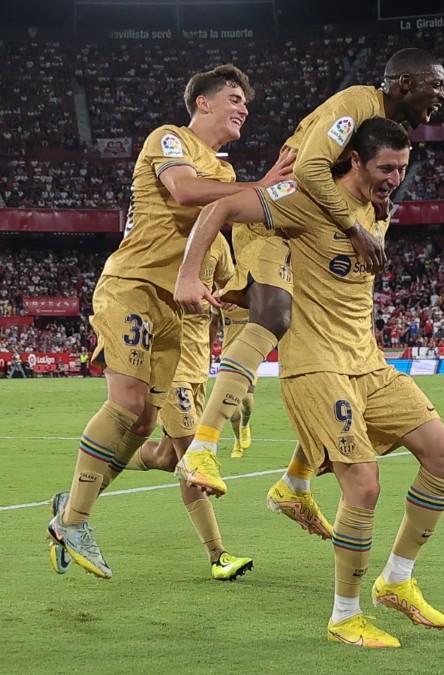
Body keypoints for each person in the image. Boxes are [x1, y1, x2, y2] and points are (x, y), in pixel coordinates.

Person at [176, 119, 444, 648]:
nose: (395, 179)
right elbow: (221, 208)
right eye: (384, 168)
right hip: (316, 367)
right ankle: (345, 615)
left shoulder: (379, 209)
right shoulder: (305, 200)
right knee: (364, 484)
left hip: (369, 363)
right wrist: (189, 275)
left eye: (402, 168)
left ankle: (396, 581)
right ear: (353, 161)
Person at [45, 64, 293, 580]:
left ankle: (71, 505)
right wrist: (263, 183)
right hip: (133, 284)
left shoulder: (223, 175)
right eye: (232, 97)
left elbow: (250, 216)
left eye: (245, 100)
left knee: (142, 425)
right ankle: (74, 520)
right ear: (202, 103)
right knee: (130, 404)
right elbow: (181, 191)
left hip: (176, 314)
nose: (242, 106)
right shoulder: (169, 139)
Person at [175, 47, 444, 498]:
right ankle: (202, 447)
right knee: (274, 316)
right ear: (404, 83)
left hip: (311, 217)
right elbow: (309, 168)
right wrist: (353, 225)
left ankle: (296, 481)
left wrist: (370, 198)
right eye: (435, 84)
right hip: (284, 211)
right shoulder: (359, 102)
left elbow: (341, 168)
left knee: (333, 353)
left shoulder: (386, 126)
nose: (442, 94)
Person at [85, 233, 252, 580]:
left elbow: (231, 296)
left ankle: (93, 471)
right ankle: (218, 555)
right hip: (169, 366)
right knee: (192, 458)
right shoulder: (163, 232)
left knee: (169, 458)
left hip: (198, 370)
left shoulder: (218, 243)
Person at [219, 304, 254, 458]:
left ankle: (245, 425)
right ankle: (237, 442)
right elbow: (213, 323)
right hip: (228, 358)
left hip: (250, 357)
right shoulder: (221, 300)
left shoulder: (253, 298)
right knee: (233, 410)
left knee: (247, 402)